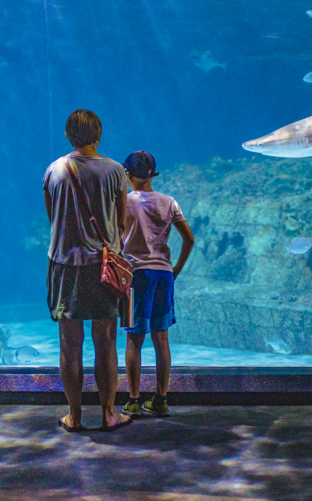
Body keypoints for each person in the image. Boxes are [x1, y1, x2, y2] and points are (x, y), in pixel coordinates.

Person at [43, 109, 133, 432]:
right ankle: (108, 413)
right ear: (99, 135)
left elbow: (53, 218)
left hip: (65, 265)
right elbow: (121, 222)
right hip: (103, 266)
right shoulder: (115, 171)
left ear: (68, 135)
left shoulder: (53, 170)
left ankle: (75, 415)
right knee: (105, 340)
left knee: (70, 344)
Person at [121, 151, 195, 418]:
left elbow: (115, 236)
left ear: (128, 174)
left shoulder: (125, 202)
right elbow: (189, 239)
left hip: (136, 275)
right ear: (153, 175)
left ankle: (133, 400)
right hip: (164, 275)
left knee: (134, 339)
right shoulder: (169, 202)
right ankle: (161, 400)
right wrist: (175, 271)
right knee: (161, 338)